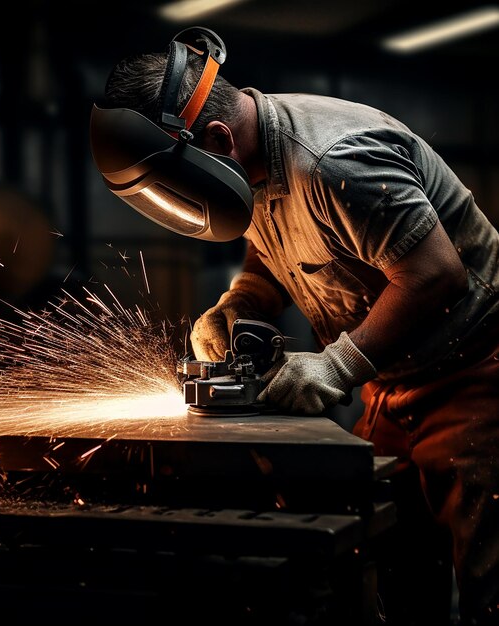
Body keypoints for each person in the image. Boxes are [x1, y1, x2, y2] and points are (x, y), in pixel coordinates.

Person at [90, 27, 499, 626]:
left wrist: (338, 364)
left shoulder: (337, 162)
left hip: (479, 379)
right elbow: (282, 247)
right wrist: (243, 301)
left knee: (492, 587)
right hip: (393, 388)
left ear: (217, 138)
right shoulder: (250, 160)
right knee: (398, 585)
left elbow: (437, 276)